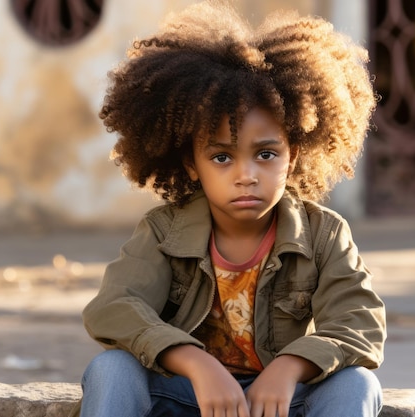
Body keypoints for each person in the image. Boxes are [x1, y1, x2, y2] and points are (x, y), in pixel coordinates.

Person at [71, 1, 386, 416]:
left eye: (266, 154)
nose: (246, 175)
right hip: (188, 396)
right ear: (192, 165)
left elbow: (359, 323)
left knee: (357, 383)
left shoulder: (323, 234)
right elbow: (114, 308)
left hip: (274, 401)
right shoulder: (165, 232)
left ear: (293, 154)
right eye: (222, 157)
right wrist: (195, 363)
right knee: (111, 368)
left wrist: (291, 366)